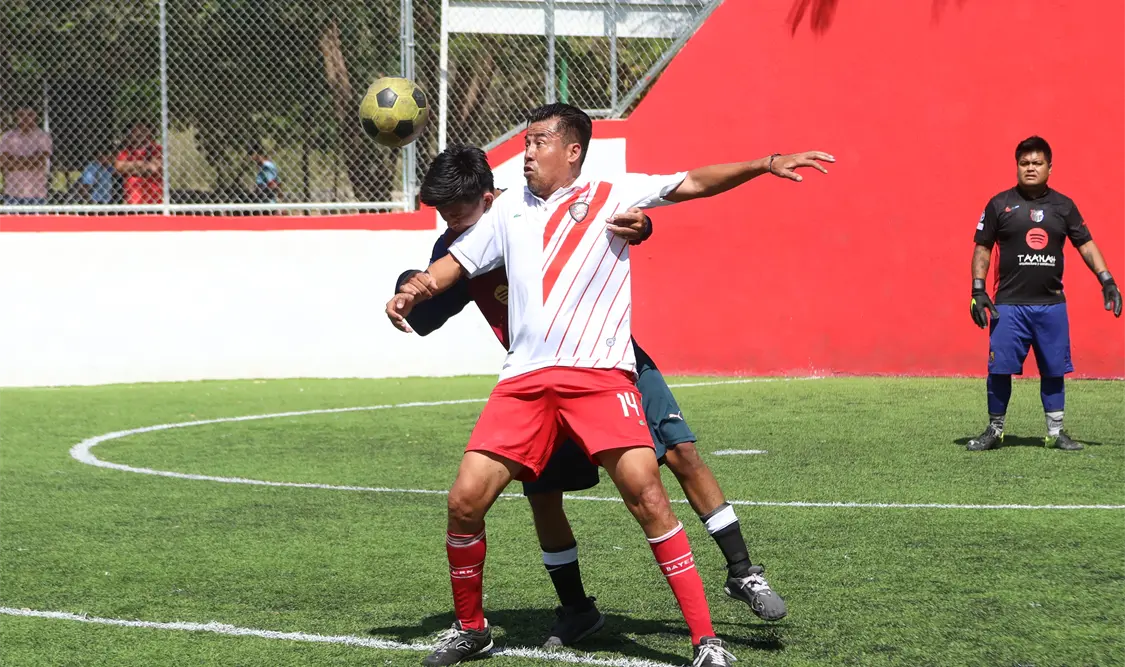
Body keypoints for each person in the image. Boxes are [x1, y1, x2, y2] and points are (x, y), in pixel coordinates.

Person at [386, 102, 833, 667]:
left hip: (607, 365)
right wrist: (412, 287)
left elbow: (689, 183)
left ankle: (738, 579)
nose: (525, 152)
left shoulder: (607, 194)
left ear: (570, 150)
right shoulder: (496, 222)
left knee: (671, 465)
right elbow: (439, 283)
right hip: (529, 379)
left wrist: (762, 163)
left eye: (537, 141)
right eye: (522, 143)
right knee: (522, 494)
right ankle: (559, 612)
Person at [967, 136, 1121, 452]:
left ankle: (1055, 432)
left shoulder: (1064, 207)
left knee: (1053, 369)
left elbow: (1086, 245)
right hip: (1008, 305)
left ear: (1050, 167)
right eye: (1024, 163)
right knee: (999, 368)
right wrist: (978, 289)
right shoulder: (999, 204)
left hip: (1051, 305)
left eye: (1037, 163)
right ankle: (995, 431)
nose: (1031, 168)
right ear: (1017, 167)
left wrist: (1107, 281)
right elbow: (982, 247)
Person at [0, 106, 53, 206]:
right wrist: (30, 160)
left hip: (37, 194)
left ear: (36, 116)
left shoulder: (43, 137)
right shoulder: (8, 137)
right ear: (15, 116)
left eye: (29, 115)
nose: (25, 118)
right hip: (12, 193)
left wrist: (14, 161)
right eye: (21, 115)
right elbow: (4, 163)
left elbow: (39, 162)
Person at [115, 122, 163, 205]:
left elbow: (154, 168)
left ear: (149, 131)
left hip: (154, 200)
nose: (139, 133)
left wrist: (131, 168)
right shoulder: (127, 150)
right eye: (135, 130)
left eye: (143, 130)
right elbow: (119, 167)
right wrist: (142, 165)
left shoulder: (156, 148)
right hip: (133, 199)